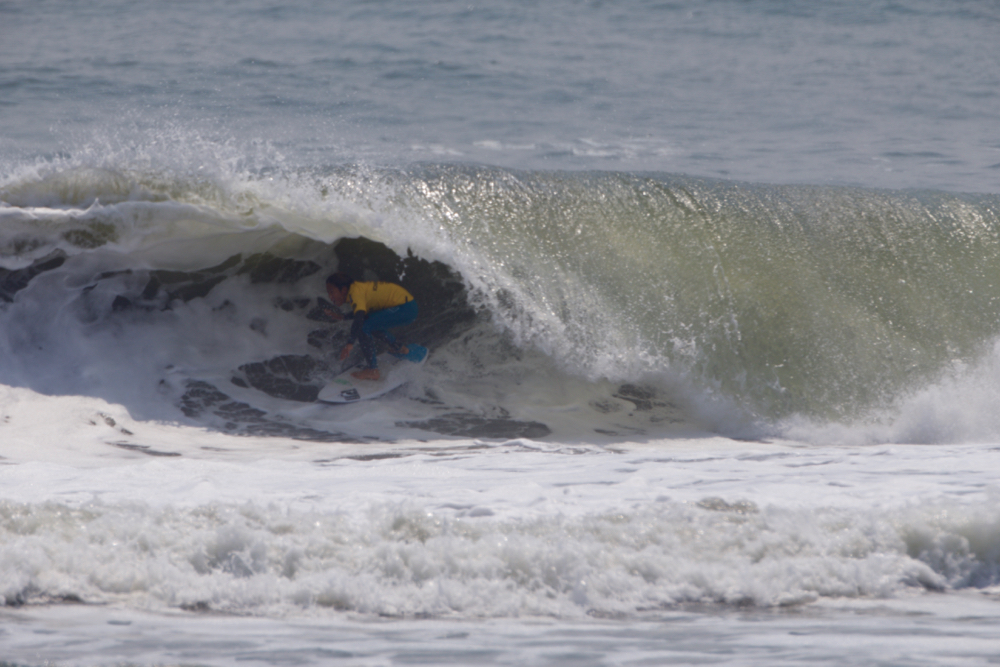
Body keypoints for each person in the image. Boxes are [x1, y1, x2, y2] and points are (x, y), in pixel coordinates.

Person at [324, 272, 418, 381]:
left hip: (405, 308)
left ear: (344, 290)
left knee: (364, 326)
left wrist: (350, 343)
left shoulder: (355, 293)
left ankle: (373, 370)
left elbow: (359, 319)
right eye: (328, 293)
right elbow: (361, 312)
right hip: (407, 306)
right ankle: (400, 348)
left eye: (332, 292)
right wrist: (343, 317)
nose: (330, 297)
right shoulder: (356, 289)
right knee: (370, 324)